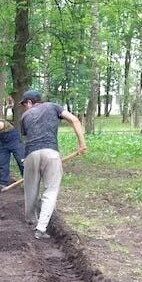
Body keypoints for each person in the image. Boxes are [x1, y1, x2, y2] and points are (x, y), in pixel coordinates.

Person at [20, 90, 87, 240]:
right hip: (51, 153)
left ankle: (31, 221)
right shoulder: (53, 106)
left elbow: (27, 136)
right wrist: (82, 143)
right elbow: (74, 120)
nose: (25, 108)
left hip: (30, 154)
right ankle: (41, 228)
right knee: (50, 191)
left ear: (30, 102)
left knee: (30, 191)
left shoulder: (25, 116)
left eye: (25, 104)